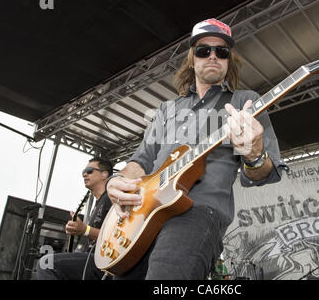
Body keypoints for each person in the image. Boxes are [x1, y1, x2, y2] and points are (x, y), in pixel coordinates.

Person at [106, 18, 287, 280]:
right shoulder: (167, 110)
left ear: (228, 60)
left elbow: (266, 173)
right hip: (144, 216)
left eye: (221, 52)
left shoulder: (244, 103)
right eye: (204, 50)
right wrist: (118, 180)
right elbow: (141, 160)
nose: (213, 56)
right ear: (193, 59)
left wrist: (254, 154)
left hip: (198, 212)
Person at [36, 157, 113, 280]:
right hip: (91, 258)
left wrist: (85, 230)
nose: (85, 174)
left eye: (89, 170)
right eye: (83, 172)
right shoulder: (97, 204)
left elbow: (114, 237)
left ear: (104, 174)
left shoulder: (111, 198)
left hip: (104, 262)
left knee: (46, 264)